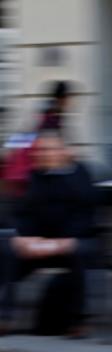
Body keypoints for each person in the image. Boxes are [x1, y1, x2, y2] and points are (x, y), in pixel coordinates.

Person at [0, 128, 99, 337]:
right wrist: (23, 238)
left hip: (75, 241)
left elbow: (86, 216)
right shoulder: (36, 176)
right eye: (40, 150)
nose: (43, 154)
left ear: (63, 151)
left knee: (80, 252)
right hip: (40, 244)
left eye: (49, 149)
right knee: (6, 250)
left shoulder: (80, 175)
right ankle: (4, 317)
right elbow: (24, 213)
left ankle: (78, 321)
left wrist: (59, 243)